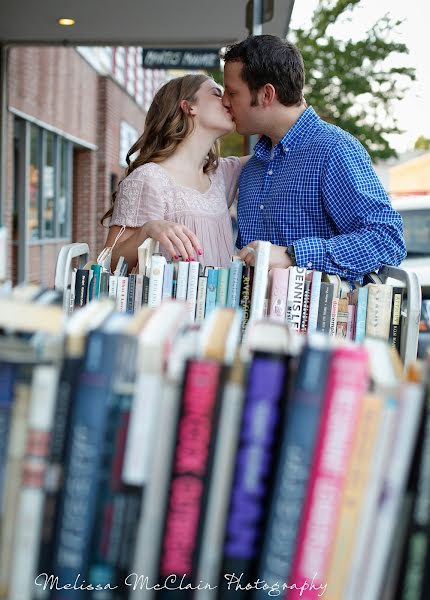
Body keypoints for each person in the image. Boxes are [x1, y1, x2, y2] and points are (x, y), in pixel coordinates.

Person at [222, 35, 406, 282]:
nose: (225, 101)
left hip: (319, 320)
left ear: (266, 94)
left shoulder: (335, 149)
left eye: (232, 93)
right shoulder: (253, 168)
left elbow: (387, 240)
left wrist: (293, 255)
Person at [101, 74, 249, 270]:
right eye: (217, 94)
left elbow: (280, 145)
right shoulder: (148, 178)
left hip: (220, 300)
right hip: (166, 301)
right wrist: (147, 230)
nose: (228, 101)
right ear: (189, 107)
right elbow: (108, 264)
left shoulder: (222, 173)